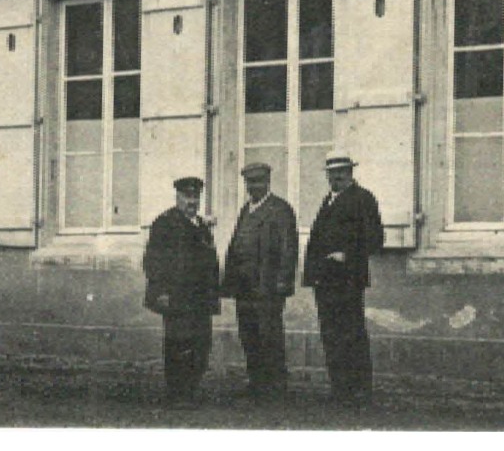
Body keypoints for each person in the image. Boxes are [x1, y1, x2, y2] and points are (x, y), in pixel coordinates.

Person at [303, 153, 384, 407]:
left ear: (351, 173)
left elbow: (375, 239)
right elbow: (316, 241)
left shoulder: (363, 199)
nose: (336, 177)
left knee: (352, 334)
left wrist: (347, 255)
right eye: (332, 173)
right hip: (325, 281)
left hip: (348, 279)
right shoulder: (328, 201)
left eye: (342, 172)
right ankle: (340, 388)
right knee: (331, 334)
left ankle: (359, 390)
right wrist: (312, 275)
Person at [221, 162, 298, 398]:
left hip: (267, 286)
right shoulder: (246, 210)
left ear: (267, 182)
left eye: (258, 182)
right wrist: (228, 280)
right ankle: (256, 381)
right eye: (250, 183)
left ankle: (275, 385)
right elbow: (236, 245)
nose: (254, 187)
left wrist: (284, 281)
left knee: (269, 335)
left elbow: (289, 248)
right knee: (249, 335)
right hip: (244, 287)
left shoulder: (280, 209)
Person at [143, 176, 220, 409]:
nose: (192, 201)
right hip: (177, 296)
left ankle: (191, 389)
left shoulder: (201, 225)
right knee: (179, 344)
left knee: (200, 344)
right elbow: (152, 261)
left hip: (200, 298)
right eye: (187, 196)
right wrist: (161, 291)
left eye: (196, 197)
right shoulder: (165, 223)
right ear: (177, 197)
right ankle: (177, 393)